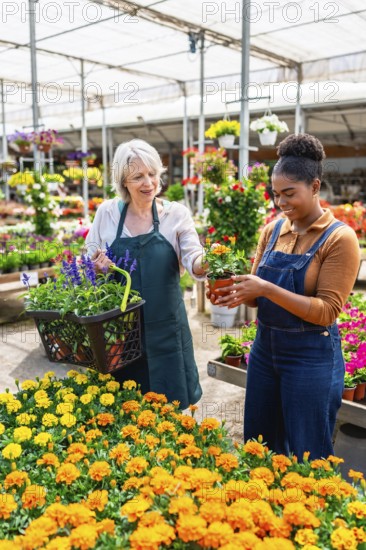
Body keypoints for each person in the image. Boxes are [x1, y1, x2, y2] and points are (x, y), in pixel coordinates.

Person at [212, 133, 360, 459]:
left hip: (310, 356)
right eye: (276, 195)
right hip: (265, 350)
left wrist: (265, 288)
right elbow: (256, 296)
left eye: (290, 193)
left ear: (316, 186)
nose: (281, 203)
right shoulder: (273, 230)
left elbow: (326, 311)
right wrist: (236, 294)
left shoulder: (340, 239)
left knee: (308, 451)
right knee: (260, 444)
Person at [85, 139, 207, 409]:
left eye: (152, 174)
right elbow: (88, 259)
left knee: (171, 410)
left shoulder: (176, 215)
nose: (148, 183)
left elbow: (194, 258)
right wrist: (94, 266)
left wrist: (210, 262)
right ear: (123, 182)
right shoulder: (107, 214)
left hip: (167, 330)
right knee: (123, 410)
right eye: (138, 176)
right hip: (119, 333)